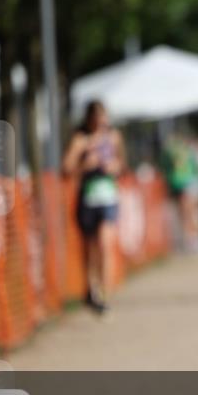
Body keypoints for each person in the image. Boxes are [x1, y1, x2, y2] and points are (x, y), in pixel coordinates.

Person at [62, 101, 126, 314]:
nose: (101, 123)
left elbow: (122, 165)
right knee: (90, 248)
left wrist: (114, 167)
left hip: (108, 197)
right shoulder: (81, 139)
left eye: (104, 118)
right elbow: (66, 169)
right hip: (87, 198)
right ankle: (92, 289)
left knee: (106, 244)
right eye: (97, 119)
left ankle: (104, 296)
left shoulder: (114, 137)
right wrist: (83, 164)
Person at [160, 133, 198, 251]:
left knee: (188, 212)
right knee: (186, 213)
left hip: (186, 184)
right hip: (181, 184)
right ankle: (190, 238)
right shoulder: (185, 151)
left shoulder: (180, 152)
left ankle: (192, 238)